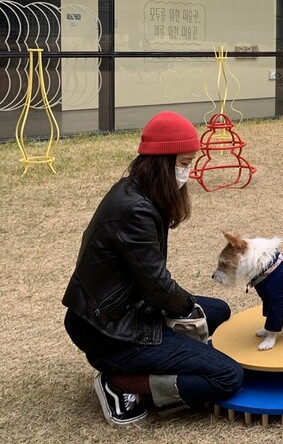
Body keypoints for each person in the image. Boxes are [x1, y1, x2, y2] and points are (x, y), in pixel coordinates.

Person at [63, 111, 243, 425]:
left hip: (127, 312)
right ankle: (119, 383)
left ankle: (165, 358)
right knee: (227, 376)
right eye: (184, 163)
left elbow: (152, 285)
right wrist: (187, 309)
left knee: (219, 312)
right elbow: (159, 288)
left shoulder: (138, 192)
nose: (188, 172)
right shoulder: (134, 209)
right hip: (111, 333)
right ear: (162, 161)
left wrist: (189, 310)